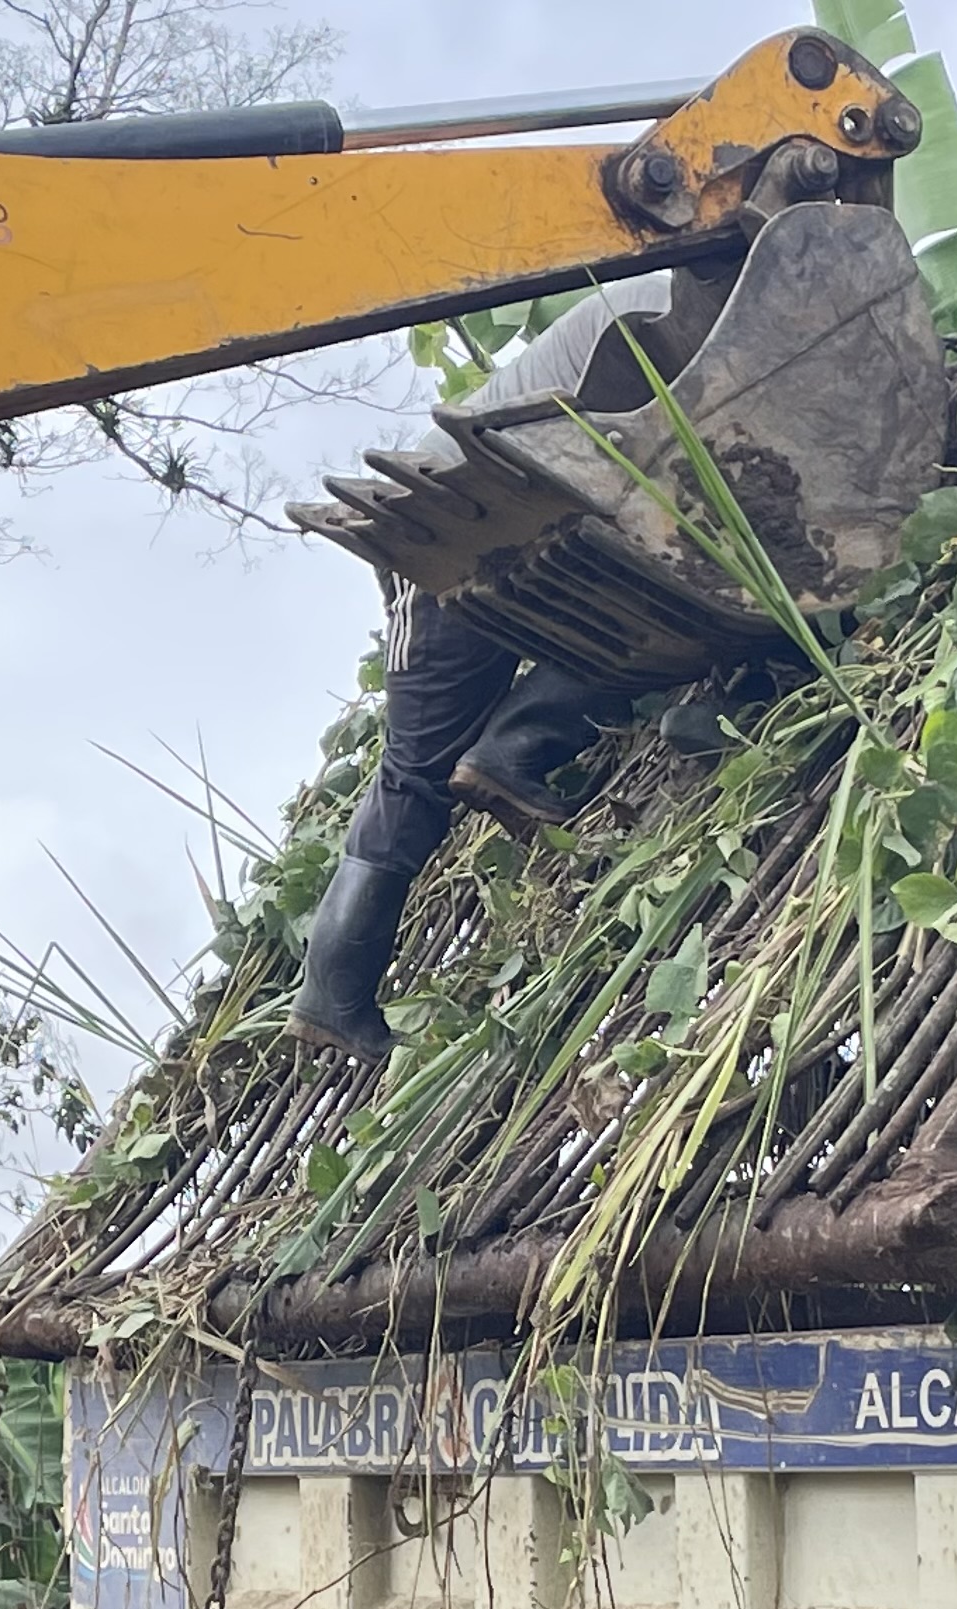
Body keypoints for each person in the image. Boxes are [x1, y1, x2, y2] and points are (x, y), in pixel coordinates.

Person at [290, 280, 681, 1062]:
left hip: (485, 515)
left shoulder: (664, 293)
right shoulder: (689, 310)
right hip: (445, 517)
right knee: (416, 770)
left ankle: (507, 756)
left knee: (644, 615)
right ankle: (331, 998)